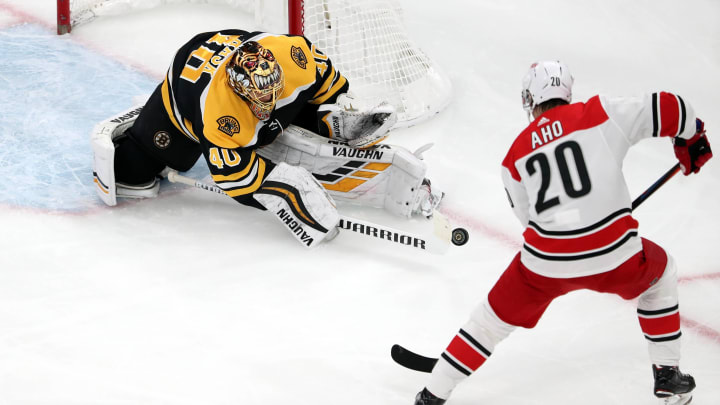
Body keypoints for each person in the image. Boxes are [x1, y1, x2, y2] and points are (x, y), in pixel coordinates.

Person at [413, 61, 712, 405]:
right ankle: (667, 375)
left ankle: (432, 395)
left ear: (531, 99)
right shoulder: (600, 113)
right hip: (616, 254)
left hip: (546, 263)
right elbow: (671, 107)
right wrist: (691, 137)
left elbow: (529, 221)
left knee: (488, 322)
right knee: (661, 276)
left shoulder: (514, 155)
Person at [91, 29, 442, 248]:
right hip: (183, 97)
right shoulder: (219, 114)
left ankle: (327, 123)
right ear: (238, 91)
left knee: (285, 113)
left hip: (239, 48)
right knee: (132, 174)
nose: (267, 106)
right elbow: (233, 178)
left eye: (272, 94)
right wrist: (283, 192)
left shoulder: (295, 57)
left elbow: (328, 82)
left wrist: (342, 113)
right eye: (257, 100)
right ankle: (141, 144)